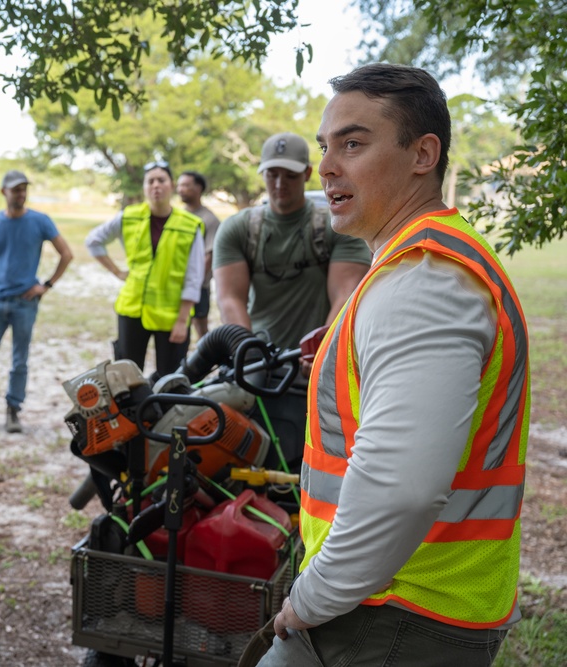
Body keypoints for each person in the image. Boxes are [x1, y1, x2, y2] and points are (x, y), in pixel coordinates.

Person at [259, 63, 530, 666]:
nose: (327, 166)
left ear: (422, 154)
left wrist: (311, 597)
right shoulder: (420, 263)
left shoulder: (424, 279)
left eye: (353, 144)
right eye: (327, 146)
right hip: (397, 604)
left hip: (390, 616)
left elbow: (401, 490)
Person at [212, 133, 370, 470]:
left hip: (311, 363)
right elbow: (230, 298)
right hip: (258, 362)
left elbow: (345, 292)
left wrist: (322, 347)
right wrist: (249, 352)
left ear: (308, 173)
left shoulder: (336, 226)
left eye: (290, 175)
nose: (279, 183)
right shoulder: (239, 229)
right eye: (272, 174)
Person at [0, 170, 73, 433]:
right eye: (15, 189)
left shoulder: (40, 221)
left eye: (24, 189)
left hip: (25, 302)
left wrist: (45, 285)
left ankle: (13, 410)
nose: (20, 194)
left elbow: (66, 254)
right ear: (4, 192)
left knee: (19, 360)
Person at [86, 160, 205, 381]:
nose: (156, 186)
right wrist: (117, 271)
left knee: (171, 379)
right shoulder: (129, 216)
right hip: (133, 309)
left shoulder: (190, 225)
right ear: (144, 187)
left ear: (172, 186)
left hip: (171, 315)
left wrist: (182, 320)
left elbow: (194, 275)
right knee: (128, 377)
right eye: (150, 181)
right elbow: (93, 241)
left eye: (162, 180)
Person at [177, 170, 221, 339]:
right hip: (176, 284)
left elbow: (209, 256)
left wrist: (193, 285)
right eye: (179, 185)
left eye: (186, 185)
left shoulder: (209, 219)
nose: (181, 189)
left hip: (199, 286)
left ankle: (206, 361)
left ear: (199, 189)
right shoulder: (177, 216)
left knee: (200, 328)